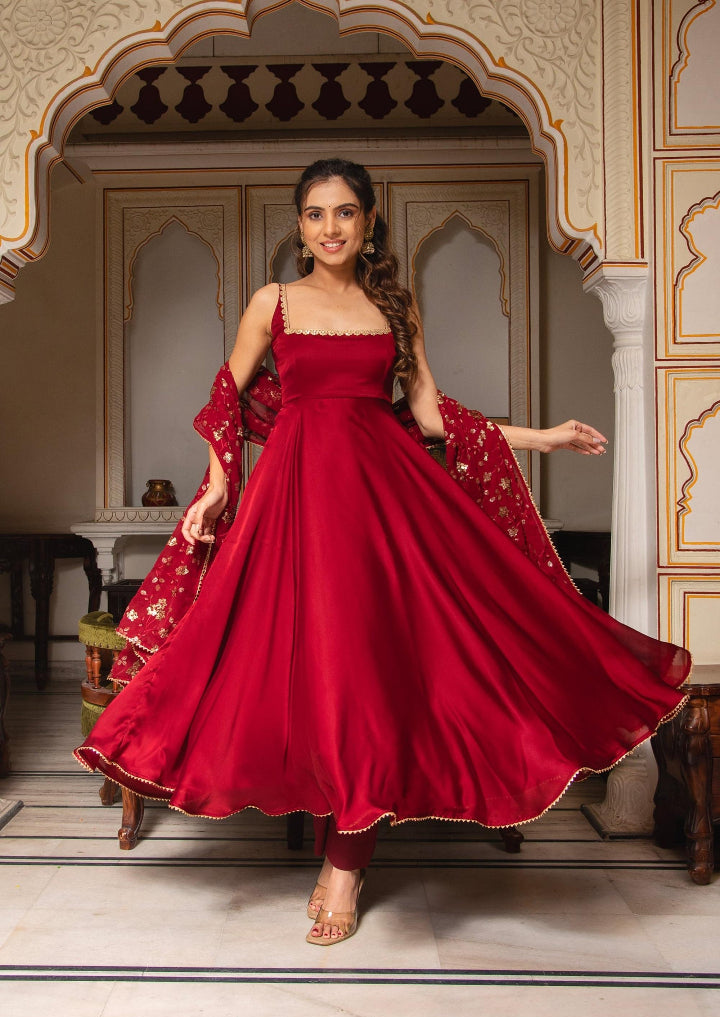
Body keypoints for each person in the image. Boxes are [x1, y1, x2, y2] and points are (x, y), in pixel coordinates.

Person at [75, 158, 691, 946]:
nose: (330, 228)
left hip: (384, 504)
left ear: (367, 223)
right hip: (294, 504)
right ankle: (336, 827)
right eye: (315, 214)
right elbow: (225, 398)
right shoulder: (275, 303)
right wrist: (219, 487)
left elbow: (431, 415)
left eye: (345, 213)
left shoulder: (394, 309)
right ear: (299, 226)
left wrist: (544, 436)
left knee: (380, 667)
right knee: (293, 667)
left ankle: (347, 858)